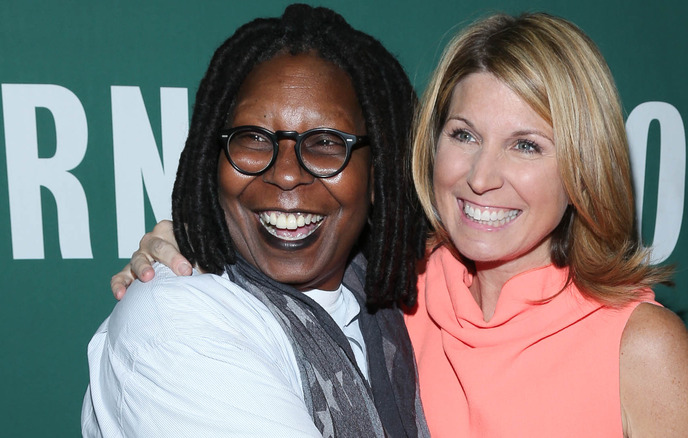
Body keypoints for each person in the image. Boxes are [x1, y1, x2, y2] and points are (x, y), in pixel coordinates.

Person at [113, 11, 688, 438]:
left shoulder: (640, 348)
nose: (482, 176)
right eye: (464, 135)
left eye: (526, 146)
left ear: (581, 167)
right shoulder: (400, 293)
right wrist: (183, 241)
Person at [82, 4, 429, 437]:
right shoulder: (174, 324)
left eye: (325, 142)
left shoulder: (396, 310)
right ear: (214, 160)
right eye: (253, 138)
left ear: (379, 175)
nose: (285, 173)